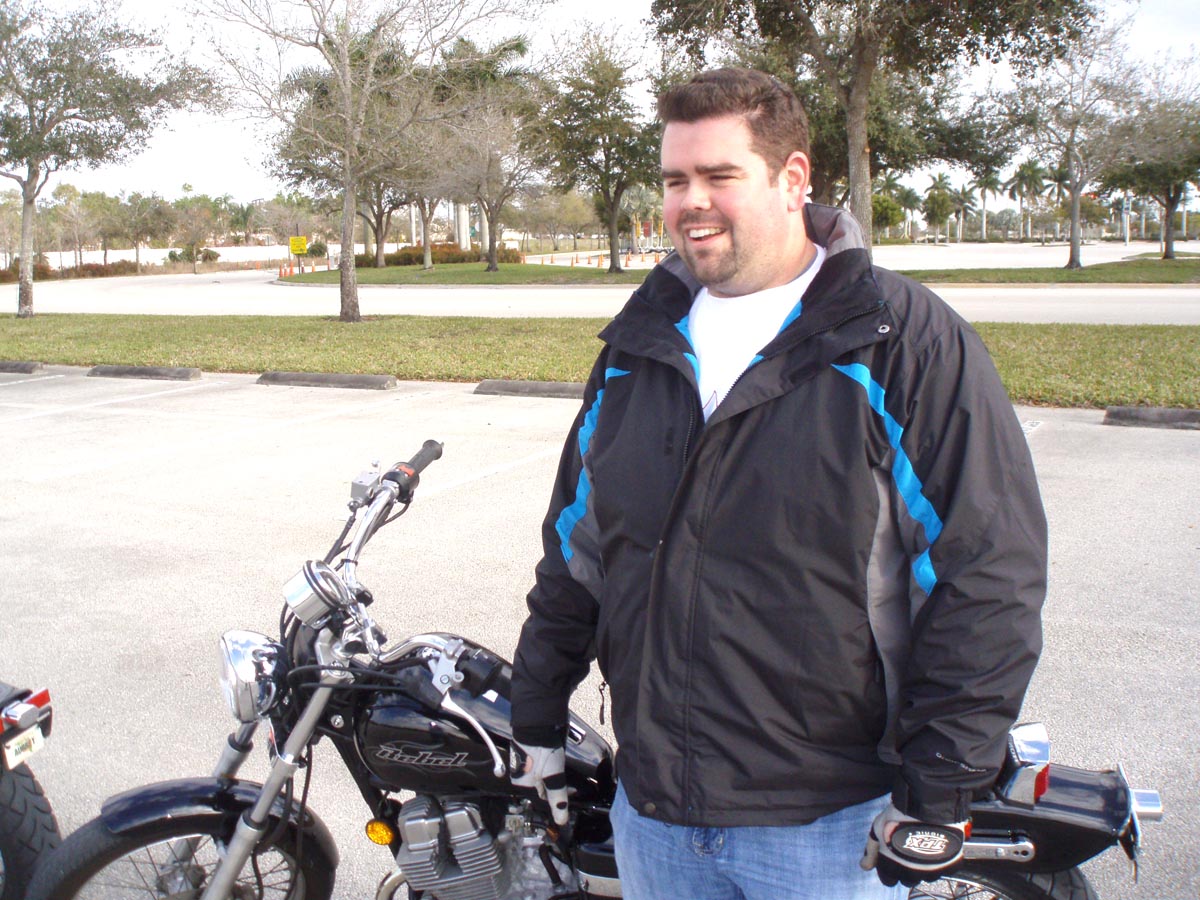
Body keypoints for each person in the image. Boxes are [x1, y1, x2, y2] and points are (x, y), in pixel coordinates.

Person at [509, 67, 1047, 900]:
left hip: (828, 829)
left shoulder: (900, 342)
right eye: (675, 179)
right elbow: (578, 552)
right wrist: (537, 714)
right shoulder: (637, 345)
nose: (691, 202)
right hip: (654, 817)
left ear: (794, 179)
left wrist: (939, 783)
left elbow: (986, 573)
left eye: (719, 175)